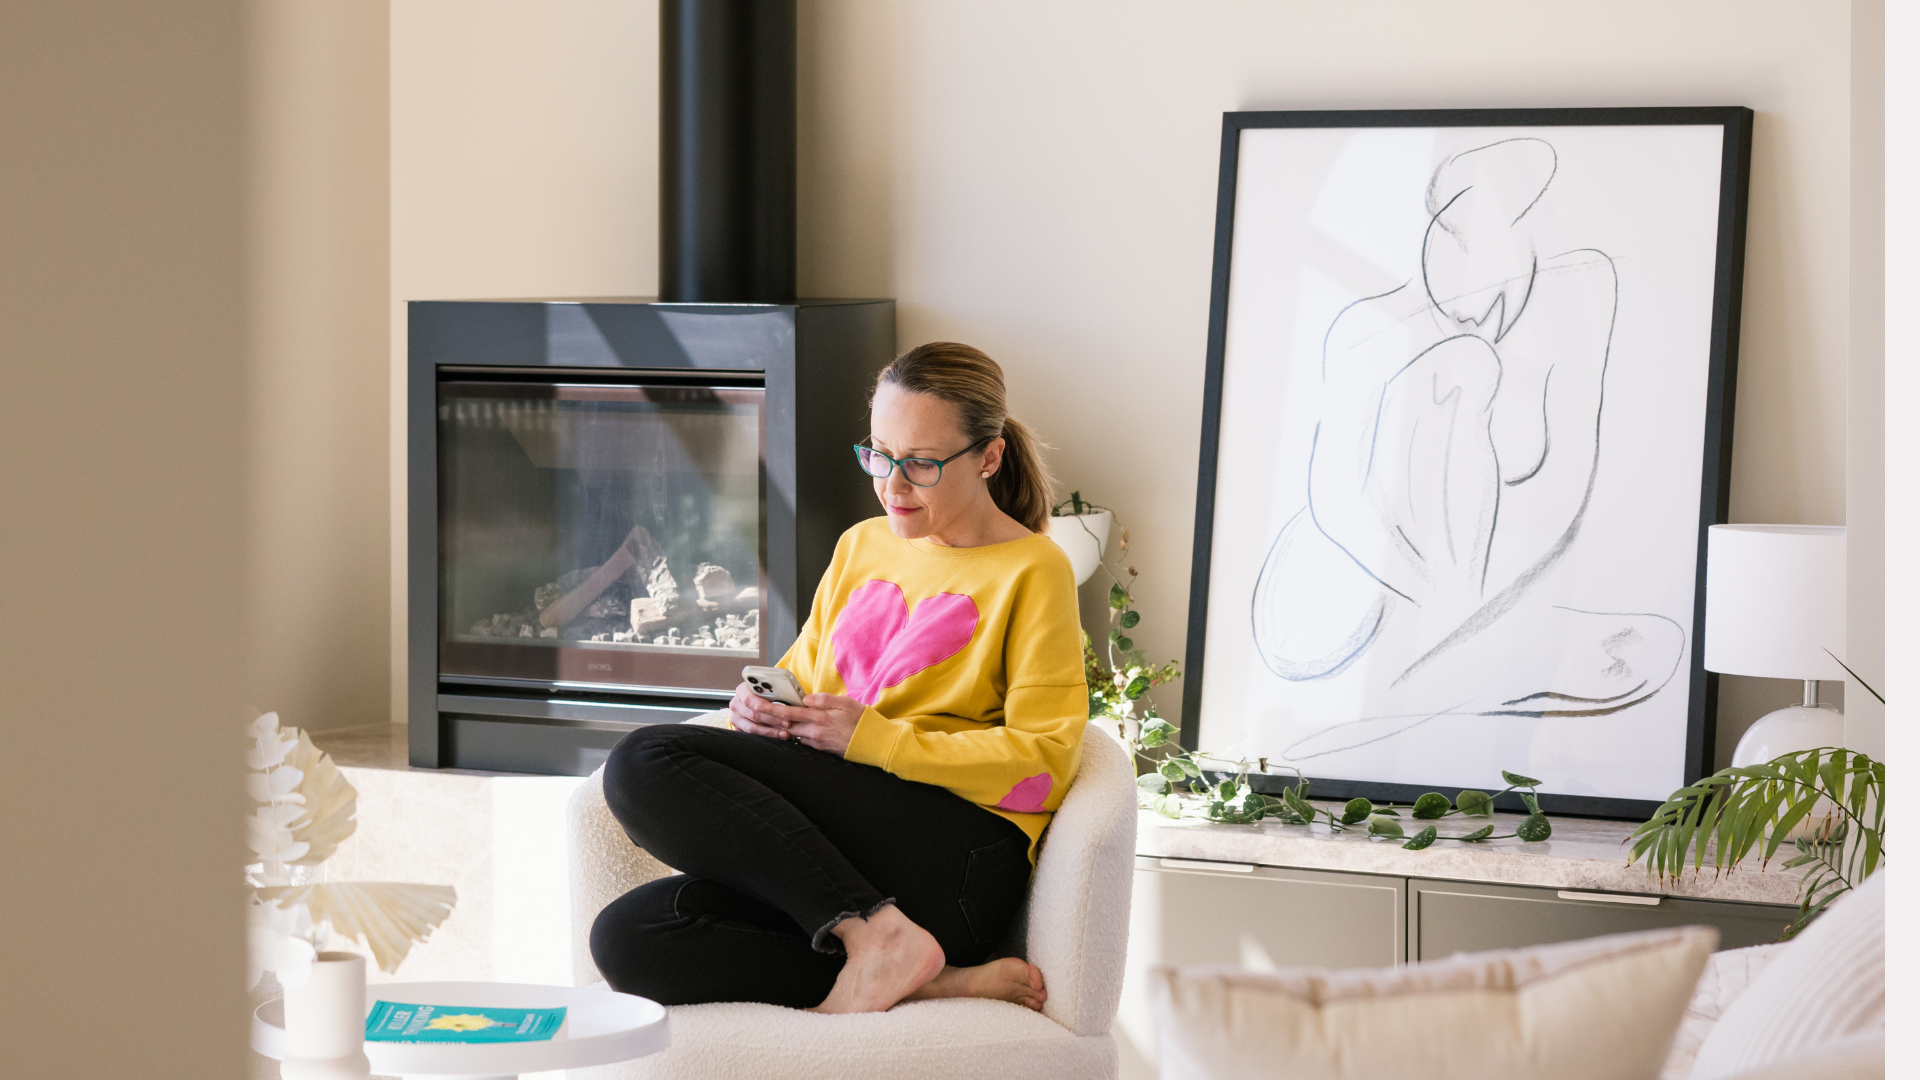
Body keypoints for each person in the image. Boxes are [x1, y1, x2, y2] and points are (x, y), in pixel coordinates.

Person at [590, 342, 1088, 1014]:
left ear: (989, 457)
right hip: (847, 851)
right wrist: (766, 709)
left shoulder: (1034, 570)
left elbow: (1045, 764)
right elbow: (805, 672)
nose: (892, 485)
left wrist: (877, 741)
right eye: (880, 454)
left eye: (921, 463)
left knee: (643, 759)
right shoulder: (864, 543)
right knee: (629, 937)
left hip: (957, 862)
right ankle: (918, 967)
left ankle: (877, 934)